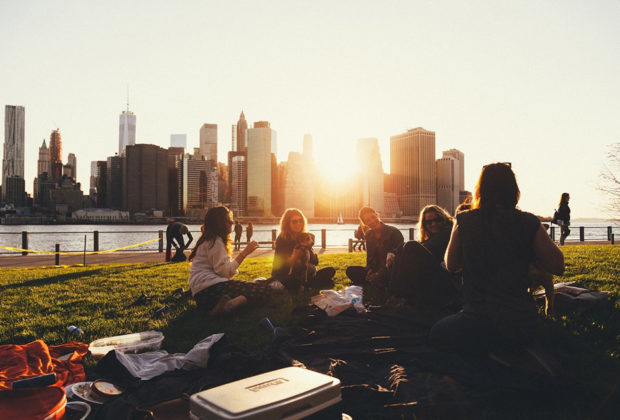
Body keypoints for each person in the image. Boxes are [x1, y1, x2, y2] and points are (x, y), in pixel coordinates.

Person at [430, 163, 564, 357]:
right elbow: (557, 265)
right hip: (520, 323)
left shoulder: (464, 220)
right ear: (513, 190)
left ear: (480, 190)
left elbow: (451, 265)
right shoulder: (529, 222)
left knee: (437, 332)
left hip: (477, 321)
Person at [188, 206, 276, 317]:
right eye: (229, 220)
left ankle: (219, 307)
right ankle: (230, 305)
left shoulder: (208, 240)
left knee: (251, 287)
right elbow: (225, 272)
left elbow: (222, 273)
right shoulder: (215, 242)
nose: (232, 222)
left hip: (201, 295)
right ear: (219, 223)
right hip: (211, 289)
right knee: (264, 289)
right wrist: (244, 253)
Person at [389, 205, 460, 310]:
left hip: (450, 279)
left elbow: (425, 247)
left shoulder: (448, 232)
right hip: (437, 277)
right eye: (429, 222)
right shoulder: (432, 238)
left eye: (437, 220)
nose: (434, 224)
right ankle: (397, 295)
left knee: (410, 246)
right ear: (425, 225)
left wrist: (399, 252)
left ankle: (398, 295)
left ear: (444, 219)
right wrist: (393, 252)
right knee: (404, 252)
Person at [271, 208, 336, 291]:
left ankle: (308, 285)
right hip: (286, 274)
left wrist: (308, 249)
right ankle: (311, 285)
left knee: (330, 270)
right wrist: (293, 258)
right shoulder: (282, 239)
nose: (298, 223)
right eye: (294, 221)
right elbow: (280, 267)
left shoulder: (305, 237)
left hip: (305, 273)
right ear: (287, 223)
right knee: (293, 280)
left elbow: (315, 262)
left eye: (300, 221)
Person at [346, 207, 404, 290]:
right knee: (350, 270)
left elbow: (397, 258)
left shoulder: (394, 232)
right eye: (368, 220)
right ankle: (375, 281)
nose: (372, 221)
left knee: (389, 273)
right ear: (365, 223)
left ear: (377, 215)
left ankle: (377, 281)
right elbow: (370, 257)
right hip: (376, 269)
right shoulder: (368, 234)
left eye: (373, 217)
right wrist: (370, 270)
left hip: (391, 269)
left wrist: (378, 274)